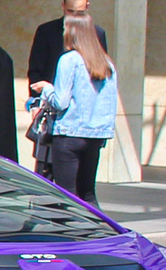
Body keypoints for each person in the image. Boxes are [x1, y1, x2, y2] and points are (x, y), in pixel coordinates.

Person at [26, 0, 111, 174]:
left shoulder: (97, 33)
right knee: (45, 171)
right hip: (53, 109)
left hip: (82, 116)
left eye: (80, 13)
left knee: (82, 184)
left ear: (88, 8)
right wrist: (35, 103)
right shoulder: (47, 31)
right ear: (63, 7)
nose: (74, 18)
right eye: (71, 12)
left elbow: (100, 75)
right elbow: (36, 68)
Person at [37, 12, 118, 202]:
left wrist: (47, 89)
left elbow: (61, 102)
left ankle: (71, 231)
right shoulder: (107, 63)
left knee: (67, 195)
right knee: (88, 193)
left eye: (65, 29)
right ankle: (102, 230)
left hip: (68, 134)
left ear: (72, 32)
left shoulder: (69, 59)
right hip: (95, 135)